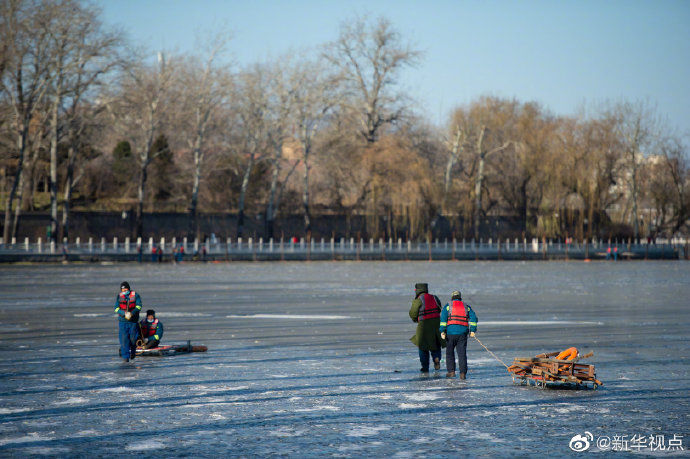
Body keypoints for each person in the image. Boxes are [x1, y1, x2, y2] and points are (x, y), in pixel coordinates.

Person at [440, 290, 478, 379]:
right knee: (462, 354)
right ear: (460, 297)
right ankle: (462, 373)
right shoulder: (466, 306)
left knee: (449, 353)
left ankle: (451, 372)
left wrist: (442, 331)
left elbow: (443, 319)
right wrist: (472, 330)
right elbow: (473, 318)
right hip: (462, 334)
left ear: (452, 297)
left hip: (450, 334)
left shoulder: (448, 306)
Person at [409, 283, 444, 373]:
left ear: (417, 290)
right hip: (437, 323)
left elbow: (413, 313)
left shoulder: (418, 300)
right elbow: (439, 308)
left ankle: (425, 367)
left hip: (423, 324)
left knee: (422, 346)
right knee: (436, 344)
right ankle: (436, 358)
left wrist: (415, 319)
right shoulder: (434, 297)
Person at [114, 281, 143, 362]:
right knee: (124, 340)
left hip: (133, 321)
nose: (124, 291)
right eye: (123, 290)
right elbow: (116, 308)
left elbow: (139, 306)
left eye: (126, 289)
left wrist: (131, 313)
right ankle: (125, 357)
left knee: (133, 339)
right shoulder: (119, 296)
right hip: (123, 321)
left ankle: (133, 351)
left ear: (129, 289)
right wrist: (124, 313)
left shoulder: (135, 295)